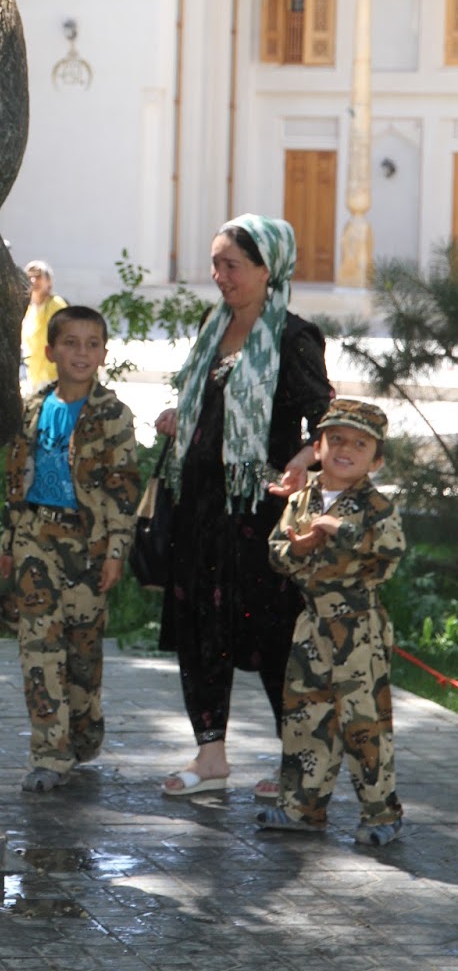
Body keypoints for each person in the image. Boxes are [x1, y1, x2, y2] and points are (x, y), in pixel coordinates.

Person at [154, 214, 331, 797]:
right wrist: (181, 421)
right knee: (203, 627)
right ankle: (210, 757)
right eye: (216, 263)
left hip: (261, 515)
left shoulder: (292, 338)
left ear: (266, 269)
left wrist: (306, 460)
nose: (218, 275)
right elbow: (213, 407)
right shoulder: (213, 327)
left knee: (273, 633)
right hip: (201, 510)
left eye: (231, 265)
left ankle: (296, 762)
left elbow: (329, 424)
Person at [0, 304, 140, 791]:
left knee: (81, 655)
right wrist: (8, 544)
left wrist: (117, 552)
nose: (81, 352)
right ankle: (48, 754)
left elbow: (124, 490)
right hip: (37, 538)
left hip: (88, 546)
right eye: (71, 343)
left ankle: (83, 729)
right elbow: (15, 479)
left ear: (103, 352)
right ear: (50, 350)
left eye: (92, 344)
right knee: (38, 648)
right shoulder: (35, 408)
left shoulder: (114, 415)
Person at [257, 398, 405, 846]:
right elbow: (276, 551)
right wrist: (298, 548)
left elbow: (391, 552)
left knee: (364, 723)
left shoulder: (376, 506)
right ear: (317, 448)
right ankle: (302, 808)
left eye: (359, 443)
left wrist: (337, 529)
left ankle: (381, 814)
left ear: (375, 460)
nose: (345, 449)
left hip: (358, 628)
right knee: (306, 715)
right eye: (335, 438)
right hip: (312, 626)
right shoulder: (303, 498)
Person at [20, 260, 67, 393]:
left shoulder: (56, 305)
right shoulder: (28, 309)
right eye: (30, 276)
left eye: (39, 276)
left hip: (53, 376)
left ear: (49, 281)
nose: (34, 280)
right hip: (33, 376)